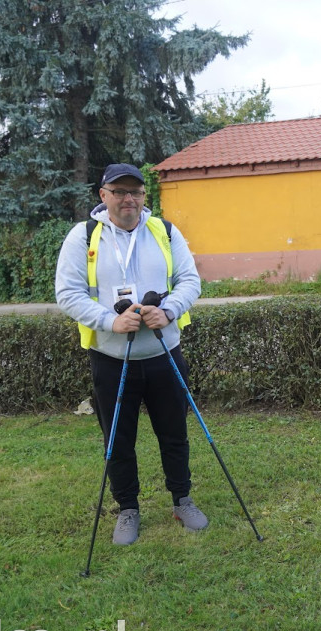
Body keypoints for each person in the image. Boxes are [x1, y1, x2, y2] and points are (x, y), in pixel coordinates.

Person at [56, 163, 204, 545]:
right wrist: (109, 320)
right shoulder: (82, 237)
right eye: (119, 192)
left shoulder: (165, 232)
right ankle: (127, 509)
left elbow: (190, 280)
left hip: (164, 352)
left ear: (144, 196)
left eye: (135, 192)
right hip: (111, 358)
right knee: (118, 439)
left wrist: (168, 311)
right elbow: (68, 293)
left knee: (174, 433)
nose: (129, 199)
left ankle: (182, 499)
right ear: (102, 196)